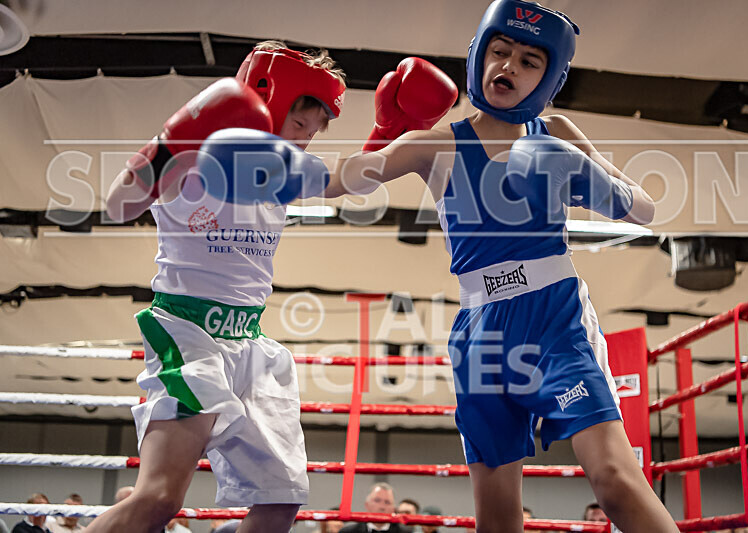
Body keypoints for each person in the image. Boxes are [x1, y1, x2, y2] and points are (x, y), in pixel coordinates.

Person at [319, 1, 678, 532]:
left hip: (554, 318)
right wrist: (383, 132)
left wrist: (577, 165)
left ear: (549, 78)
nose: (508, 66)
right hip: (480, 331)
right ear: (478, 56)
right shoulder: (432, 145)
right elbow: (332, 184)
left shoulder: (556, 132)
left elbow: (644, 210)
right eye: (500, 51)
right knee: (496, 518)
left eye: (529, 61)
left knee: (616, 481)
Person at [87, 40, 346, 533]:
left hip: (251, 343)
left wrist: (392, 133)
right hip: (187, 335)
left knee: (280, 505)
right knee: (160, 497)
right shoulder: (193, 156)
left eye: (312, 134)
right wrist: (172, 141)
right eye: (299, 126)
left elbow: (350, 180)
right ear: (266, 102)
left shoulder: (280, 174)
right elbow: (118, 205)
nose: (304, 142)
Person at [339, 483, 412, 533]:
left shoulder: (404, 532)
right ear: (367, 505)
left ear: (394, 508)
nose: (382, 507)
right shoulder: (348, 532)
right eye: (377, 501)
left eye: (387, 502)